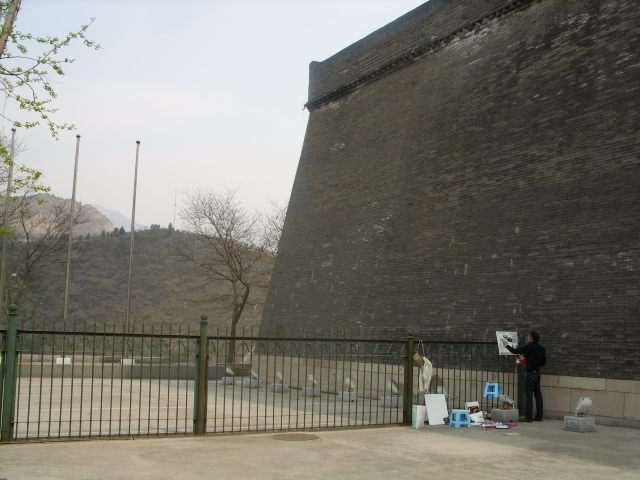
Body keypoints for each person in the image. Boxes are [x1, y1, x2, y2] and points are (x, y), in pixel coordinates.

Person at [502, 331, 546, 422]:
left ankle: (528, 417)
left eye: (529, 336)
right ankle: (539, 416)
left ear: (532, 338)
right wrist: (535, 365)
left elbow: (516, 351)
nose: (527, 338)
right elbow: (543, 362)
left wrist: (506, 345)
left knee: (529, 396)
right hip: (537, 373)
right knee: (538, 395)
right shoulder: (541, 348)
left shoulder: (529, 347)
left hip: (530, 374)